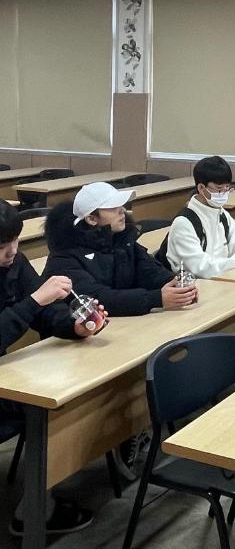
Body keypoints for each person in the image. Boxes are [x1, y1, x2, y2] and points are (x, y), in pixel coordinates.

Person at [0, 199, 107, 536]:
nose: (12, 251)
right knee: (47, 410)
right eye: (2, 246)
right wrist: (34, 301)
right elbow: (34, 304)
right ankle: (32, 514)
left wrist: (73, 327)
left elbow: (44, 313)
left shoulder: (14, 263)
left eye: (15, 240)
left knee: (72, 394)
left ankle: (38, 498)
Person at [44, 182, 196, 315]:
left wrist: (177, 285)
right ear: (91, 219)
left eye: (121, 205)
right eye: (113, 207)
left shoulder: (123, 241)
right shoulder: (64, 258)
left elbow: (150, 271)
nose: (122, 210)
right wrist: (156, 299)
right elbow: (97, 298)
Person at [165, 156, 235, 278]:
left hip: (222, 277)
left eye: (227, 188)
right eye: (219, 190)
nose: (224, 194)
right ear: (201, 188)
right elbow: (201, 268)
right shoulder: (184, 223)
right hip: (194, 284)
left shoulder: (222, 214)